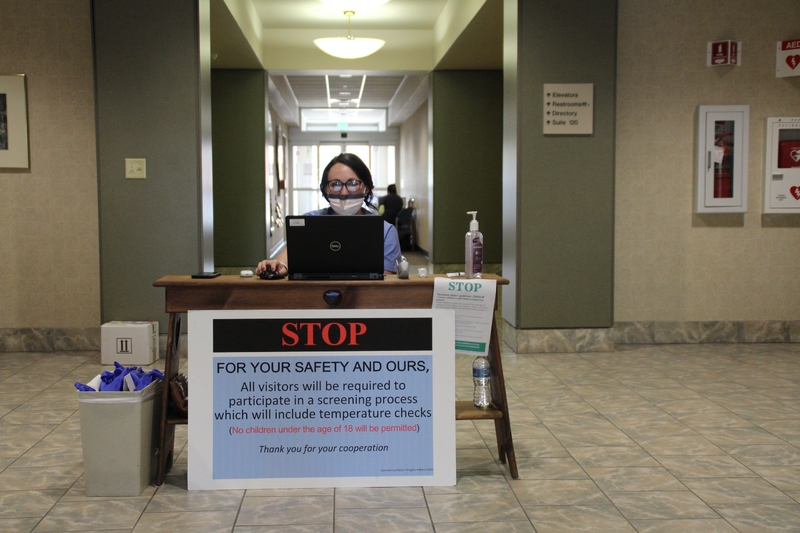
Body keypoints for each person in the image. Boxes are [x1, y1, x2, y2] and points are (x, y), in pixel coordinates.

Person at [256, 153, 402, 276]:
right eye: (336, 184)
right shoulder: (309, 222)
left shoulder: (385, 231)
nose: (344, 192)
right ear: (326, 189)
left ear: (367, 188)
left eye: (352, 183)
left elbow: (383, 282)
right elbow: (287, 259)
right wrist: (277, 265)